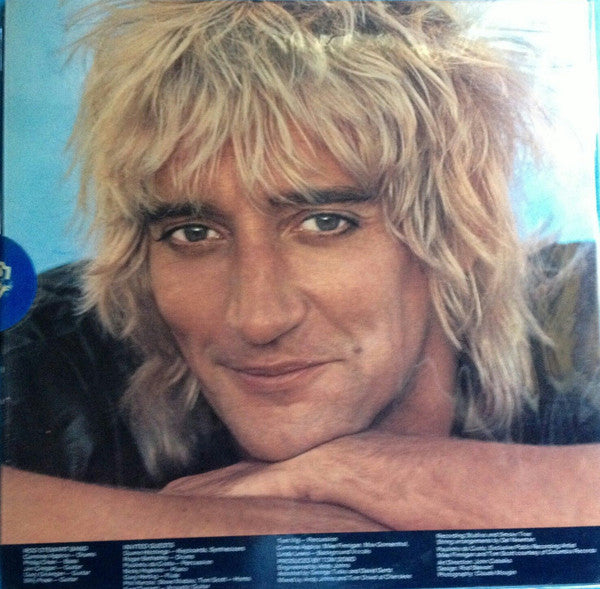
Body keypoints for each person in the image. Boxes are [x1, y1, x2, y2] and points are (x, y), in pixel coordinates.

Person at [2, 0, 600, 544]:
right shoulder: (57, 342)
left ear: (458, 226)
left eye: (324, 223)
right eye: (194, 233)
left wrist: (365, 472)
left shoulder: (578, 308)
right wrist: (216, 526)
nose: (258, 319)